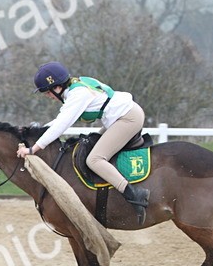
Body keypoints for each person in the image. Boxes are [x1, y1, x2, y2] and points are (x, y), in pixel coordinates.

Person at [19, 61, 149, 218]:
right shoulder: (76, 86)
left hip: (128, 119)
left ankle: (134, 195)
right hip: (121, 117)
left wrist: (34, 149)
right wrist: (38, 132)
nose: (48, 97)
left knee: (94, 159)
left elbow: (62, 124)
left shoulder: (78, 94)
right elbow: (60, 120)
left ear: (57, 87)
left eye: (47, 92)